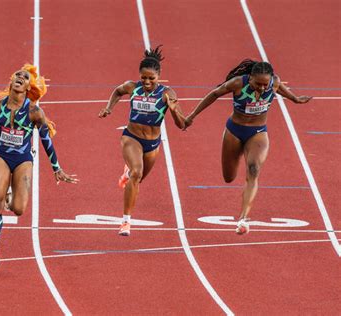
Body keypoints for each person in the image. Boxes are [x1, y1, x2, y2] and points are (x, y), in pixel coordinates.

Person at [0, 64, 78, 274]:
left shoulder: (34, 112)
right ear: (11, 81)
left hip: (23, 159)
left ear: (28, 87)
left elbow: (45, 140)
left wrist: (56, 168)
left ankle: (11, 193)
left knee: (19, 209)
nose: (20, 77)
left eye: (25, 77)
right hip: (2, 157)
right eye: (18, 75)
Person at [184, 59, 312, 234]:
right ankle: (241, 208)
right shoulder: (238, 83)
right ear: (250, 78)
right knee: (228, 177)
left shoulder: (273, 82)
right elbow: (214, 94)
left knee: (253, 169)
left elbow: (279, 87)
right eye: (257, 83)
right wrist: (192, 116)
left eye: (265, 84)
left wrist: (295, 99)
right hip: (234, 131)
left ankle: (243, 219)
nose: (261, 88)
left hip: (258, 132)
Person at [98, 45, 186, 236]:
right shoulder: (132, 86)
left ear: (159, 76)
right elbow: (118, 91)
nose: (146, 81)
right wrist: (109, 108)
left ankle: (127, 172)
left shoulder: (168, 94)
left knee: (137, 180)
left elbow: (182, 125)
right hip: (131, 137)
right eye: (143, 77)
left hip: (153, 143)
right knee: (136, 174)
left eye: (151, 78)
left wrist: (172, 110)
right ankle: (126, 222)